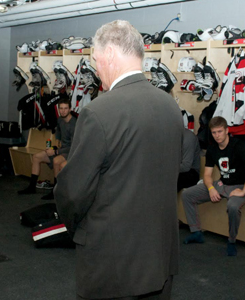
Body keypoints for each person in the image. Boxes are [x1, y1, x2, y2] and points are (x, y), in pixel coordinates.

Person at [54, 20, 183, 300]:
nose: (96, 69)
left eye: (96, 60)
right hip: (160, 256)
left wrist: (76, 228)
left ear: (110, 54)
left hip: (114, 264)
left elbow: (73, 193)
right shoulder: (170, 106)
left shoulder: (99, 112)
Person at [182, 116, 245, 256]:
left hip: (240, 186)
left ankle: (231, 241)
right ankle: (196, 232)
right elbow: (207, 175)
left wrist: (243, 191)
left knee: (233, 206)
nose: (217, 135)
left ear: (227, 131)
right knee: (187, 195)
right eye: (214, 132)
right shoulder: (212, 149)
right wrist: (211, 189)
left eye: (220, 131)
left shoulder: (238, 145)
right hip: (222, 184)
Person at [18, 98, 77, 200]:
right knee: (36, 157)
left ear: (70, 109)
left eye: (65, 108)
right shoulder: (60, 119)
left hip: (71, 151)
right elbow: (58, 131)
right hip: (61, 149)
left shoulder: (74, 124)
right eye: (61, 108)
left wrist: (55, 151)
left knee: (56, 160)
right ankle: (32, 187)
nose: (63, 111)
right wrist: (56, 142)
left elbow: (74, 146)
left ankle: (55, 191)